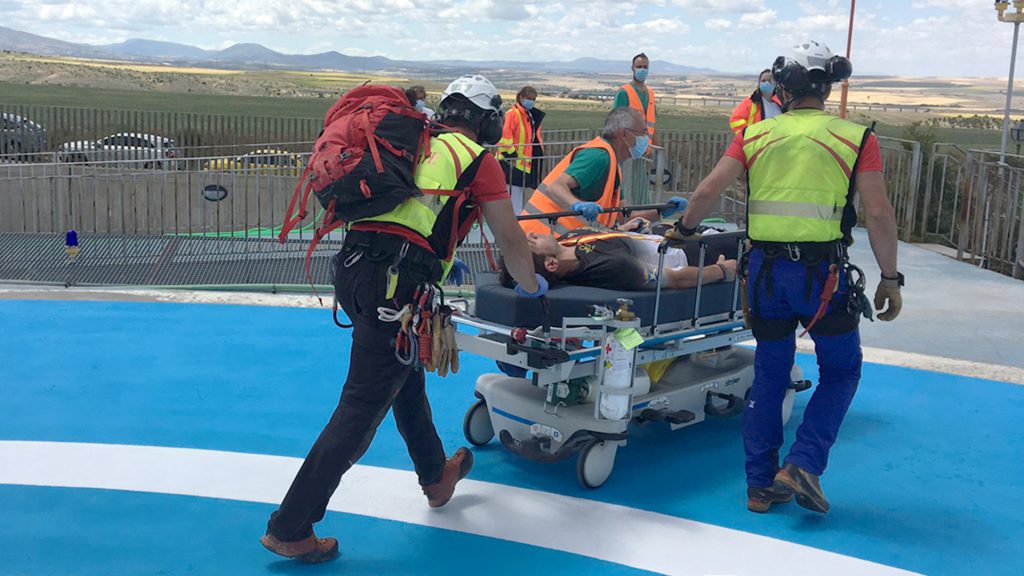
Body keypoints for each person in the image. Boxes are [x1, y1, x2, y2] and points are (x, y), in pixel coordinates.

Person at [260, 74, 548, 564]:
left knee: (403, 372)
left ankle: (436, 477)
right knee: (360, 408)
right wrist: (531, 287)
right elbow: (510, 239)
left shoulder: (415, 140)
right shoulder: (477, 160)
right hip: (397, 286)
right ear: (487, 120)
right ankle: (291, 525)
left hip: (356, 272)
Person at [670, 40, 903, 515]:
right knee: (841, 370)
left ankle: (759, 487)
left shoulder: (755, 135)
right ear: (827, 86)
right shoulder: (857, 138)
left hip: (765, 276)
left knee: (770, 374)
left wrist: (683, 231)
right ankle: (803, 463)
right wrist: (890, 277)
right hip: (824, 279)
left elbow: (709, 188)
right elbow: (878, 213)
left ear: (783, 87)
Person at [519, 107, 685, 236]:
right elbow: (555, 187)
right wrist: (577, 205)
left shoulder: (613, 166)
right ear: (624, 134)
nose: (646, 139)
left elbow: (624, 216)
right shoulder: (598, 157)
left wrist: (661, 210)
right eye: (643, 133)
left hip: (559, 244)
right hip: (539, 242)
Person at [502, 224, 737, 291]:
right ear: (551, 264)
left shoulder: (567, 238)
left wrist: (628, 227)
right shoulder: (610, 267)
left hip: (666, 234)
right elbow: (675, 280)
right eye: (531, 242)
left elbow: (603, 236)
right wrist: (721, 271)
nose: (532, 233)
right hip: (693, 253)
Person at [497, 85, 546, 214]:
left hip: (523, 164)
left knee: (518, 197)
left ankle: (516, 223)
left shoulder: (528, 116)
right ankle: (514, 227)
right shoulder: (512, 114)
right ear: (521, 97)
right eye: (529, 98)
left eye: (534, 99)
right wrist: (511, 155)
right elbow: (504, 137)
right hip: (511, 163)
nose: (532, 101)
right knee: (513, 200)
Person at [613, 52, 657, 144]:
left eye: (645, 67)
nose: (642, 70)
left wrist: (657, 148)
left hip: (646, 148)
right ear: (632, 68)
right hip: (628, 149)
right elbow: (616, 124)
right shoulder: (624, 93)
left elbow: (652, 124)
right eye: (639, 67)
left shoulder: (651, 94)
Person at [729, 69, 784, 134]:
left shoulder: (782, 103)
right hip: (757, 142)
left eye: (769, 81)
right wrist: (750, 134)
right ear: (759, 83)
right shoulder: (751, 101)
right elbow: (735, 120)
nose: (766, 83)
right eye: (763, 81)